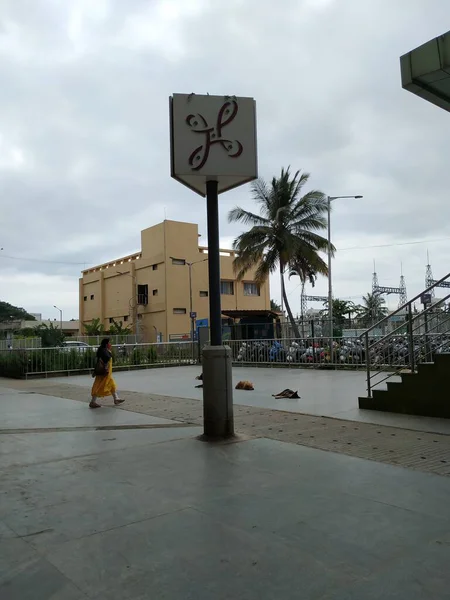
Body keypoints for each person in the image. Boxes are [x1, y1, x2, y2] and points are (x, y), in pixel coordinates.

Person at [89, 338, 124, 409]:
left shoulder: (104, 350)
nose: (110, 344)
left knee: (112, 385)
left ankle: (116, 399)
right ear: (106, 344)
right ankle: (93, 402)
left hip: (107, 373)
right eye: (109, 343)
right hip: (103, 373)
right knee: (98, 386)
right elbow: (105, 359)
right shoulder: (103, 350)